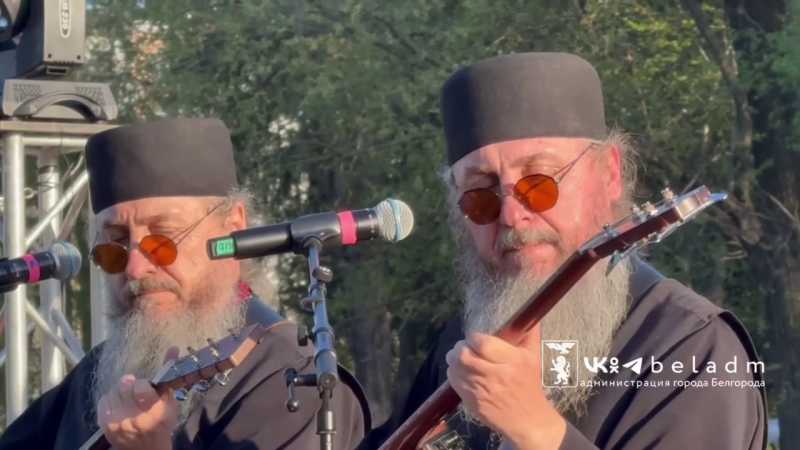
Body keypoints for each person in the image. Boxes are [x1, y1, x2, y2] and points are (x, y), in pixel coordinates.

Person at [362, 52, 767, 449]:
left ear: (609, 174)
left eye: (539, 184)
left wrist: (537, 430)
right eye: (480, 196)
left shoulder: (694, 348)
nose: (511, 216)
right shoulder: (465, 341)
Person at [0, 118, 367, 450]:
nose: (135, 268)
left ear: (233, 226)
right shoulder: (97, 375)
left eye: (163, 240)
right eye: (115, 246)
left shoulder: (294, 381)